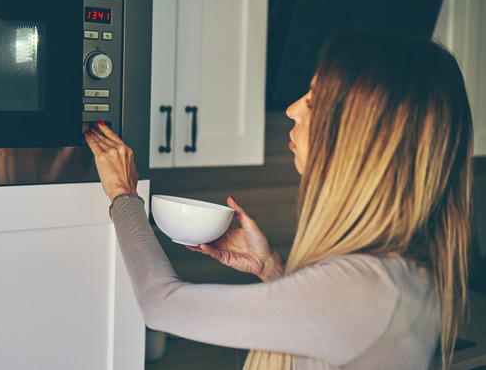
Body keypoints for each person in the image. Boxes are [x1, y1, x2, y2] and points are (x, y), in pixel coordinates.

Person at [84, 30, 473, 370]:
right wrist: (271, 268)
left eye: (315, 102)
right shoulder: (402, 273)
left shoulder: (364, 289)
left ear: (363, 136)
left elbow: (160, 305)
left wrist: (124, 195)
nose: (292, 109)